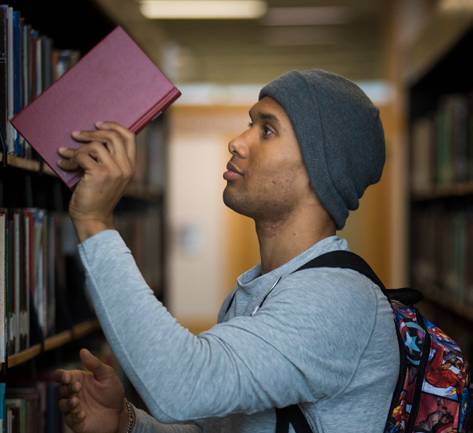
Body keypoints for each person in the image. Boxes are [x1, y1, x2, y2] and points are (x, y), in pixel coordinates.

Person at [53, 69, 400, 433]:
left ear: (321, 167)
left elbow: (182, 385)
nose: (237, 142)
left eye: (267, 130)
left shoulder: (334, 298)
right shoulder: (256, 290)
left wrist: (94, 222)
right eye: (250, 124)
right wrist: (126, 423)